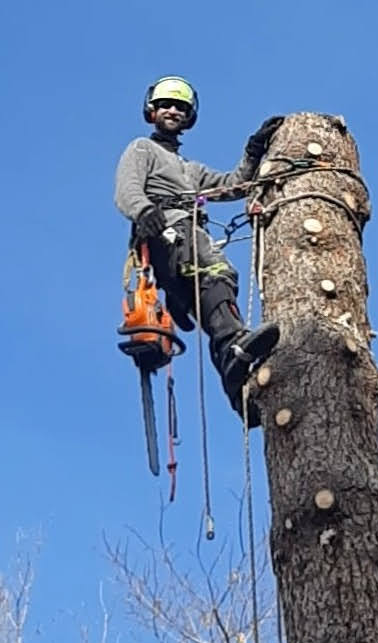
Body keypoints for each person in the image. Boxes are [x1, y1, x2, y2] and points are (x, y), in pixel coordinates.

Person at [115, 75, 283, 426]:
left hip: (189, 235)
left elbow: (231, 185)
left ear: (188, 117)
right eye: (166, 105)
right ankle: (234, 345)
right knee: (215, 270)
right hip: (167, 232)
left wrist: (253, 153)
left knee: (215, 290)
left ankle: (238, 385)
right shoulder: (142, 150)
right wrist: (145, 213)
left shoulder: (191, 170)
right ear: (152, 111)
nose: (173, 111)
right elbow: (127, 190)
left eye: (180, 107)